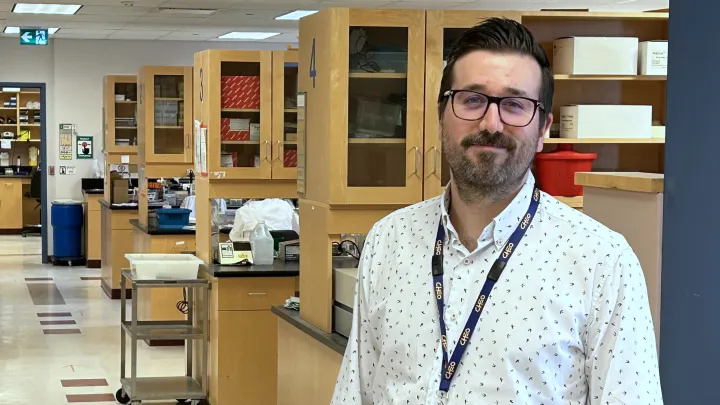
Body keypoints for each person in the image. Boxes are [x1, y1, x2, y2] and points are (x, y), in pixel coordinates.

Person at [331, 17, 663, 405]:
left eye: (515, 104)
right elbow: (357, 393)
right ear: (441, 116)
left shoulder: (601, 261)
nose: (492, 123)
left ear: (543, 129)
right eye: (472, 99)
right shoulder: (389, 240)